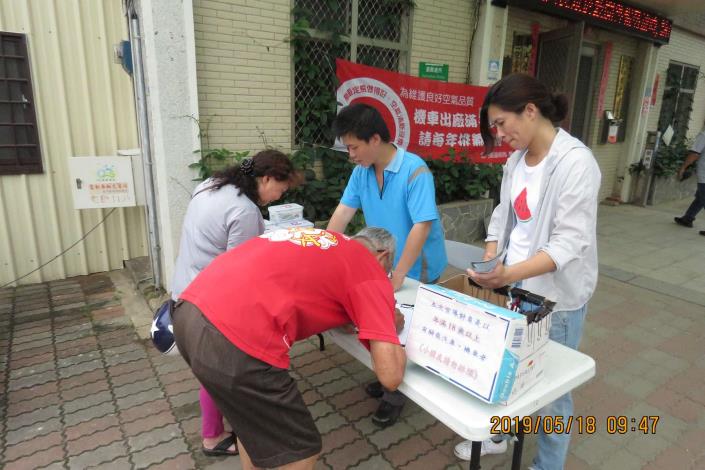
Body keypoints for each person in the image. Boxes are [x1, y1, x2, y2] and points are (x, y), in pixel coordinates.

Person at [453, 73, 601, 470]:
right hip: (517, 284)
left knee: (553, 388)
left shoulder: (575, 163)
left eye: (502, 123)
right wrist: (491, 260)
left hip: (557, 297)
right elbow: (503, 215)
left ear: (531, 111)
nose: (499, 134)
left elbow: (570, 242)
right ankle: (502, 433)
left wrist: (507, 273)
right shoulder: (517, 160)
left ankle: (548, 464)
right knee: (510, 365)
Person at [172, 227, 407, 470]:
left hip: (188, 312)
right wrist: (387, 320)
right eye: (388, 271)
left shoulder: (327, 240)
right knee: (299, 450)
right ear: (383, 256)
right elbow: (390, 377)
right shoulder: (369, 270)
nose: (385, 276)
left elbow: (310, 286)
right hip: (233, 340)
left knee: (252, 426)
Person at [171, 149, 300, 456]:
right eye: (279, 191)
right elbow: (242, 274)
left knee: (208, 368)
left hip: (184, 292)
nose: (277, 198)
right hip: (208, 305)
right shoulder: (245, 211)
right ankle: (214, 438)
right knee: (220, 368)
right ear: (266, 178)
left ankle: (213, 431)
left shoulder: (211, 184)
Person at [327, 102, 448, 427]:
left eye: (354, 147)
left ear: (375, 139)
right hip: (385, 264)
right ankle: (387, 377)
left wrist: (398, 276)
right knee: (384, 320)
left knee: (405, 328)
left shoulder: (415, 170)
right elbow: (342, 213)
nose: (351, 154)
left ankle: (395, 393)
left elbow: (421, 226)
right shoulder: (361, 172)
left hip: (415, 266)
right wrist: (322, 252)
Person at [673, 128, 705, 236]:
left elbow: (695, 154)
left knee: (703, 197)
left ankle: (688, 218)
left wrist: (683, 167)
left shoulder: (704, 135)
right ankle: (688, 218)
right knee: (700, 197)